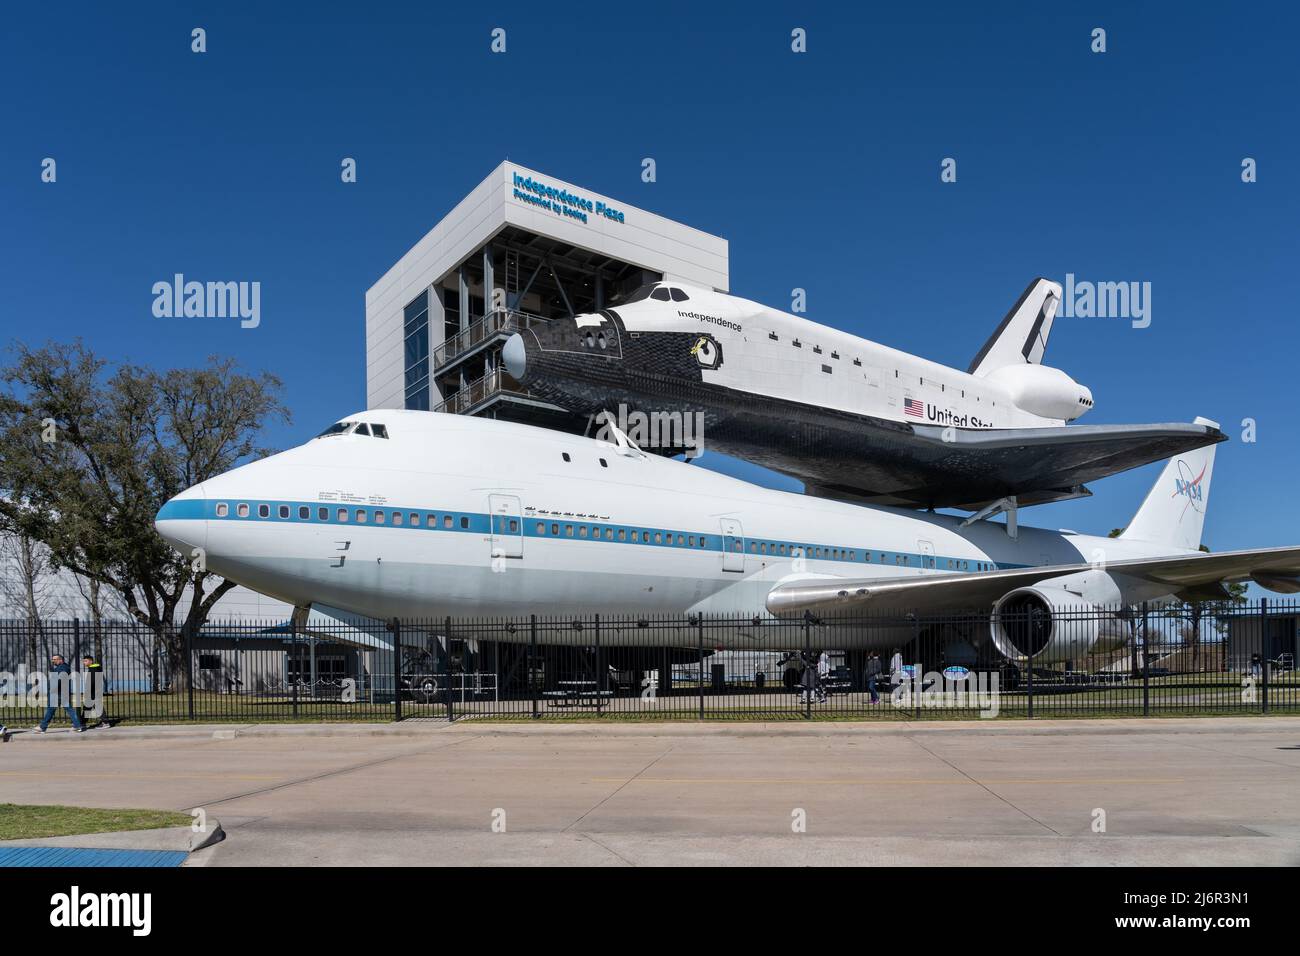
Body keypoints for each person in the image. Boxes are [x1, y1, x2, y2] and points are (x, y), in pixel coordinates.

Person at [35, 654, 84, 734]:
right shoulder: (61, 668)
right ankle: (77, 726)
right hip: (61, 692)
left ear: (61, 660)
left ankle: (42, 727)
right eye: (53, 659)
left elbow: (59, 679)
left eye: (55, 659)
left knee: (51, 709)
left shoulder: (63, 668)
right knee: (67, 709)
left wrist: (52, 689)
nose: (53, 661)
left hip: (58, 692)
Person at [81, 654, 106, 729]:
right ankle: (82, 723)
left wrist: (88, 691)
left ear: (91, 661)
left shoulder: (93, 669)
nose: (84, 663)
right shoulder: (95, 668)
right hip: (94, 691)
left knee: (96, 707)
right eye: (83, 661)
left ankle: (105, 722)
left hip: (93, 692)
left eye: (85, 661)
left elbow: (92, 682)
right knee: (88, 708)